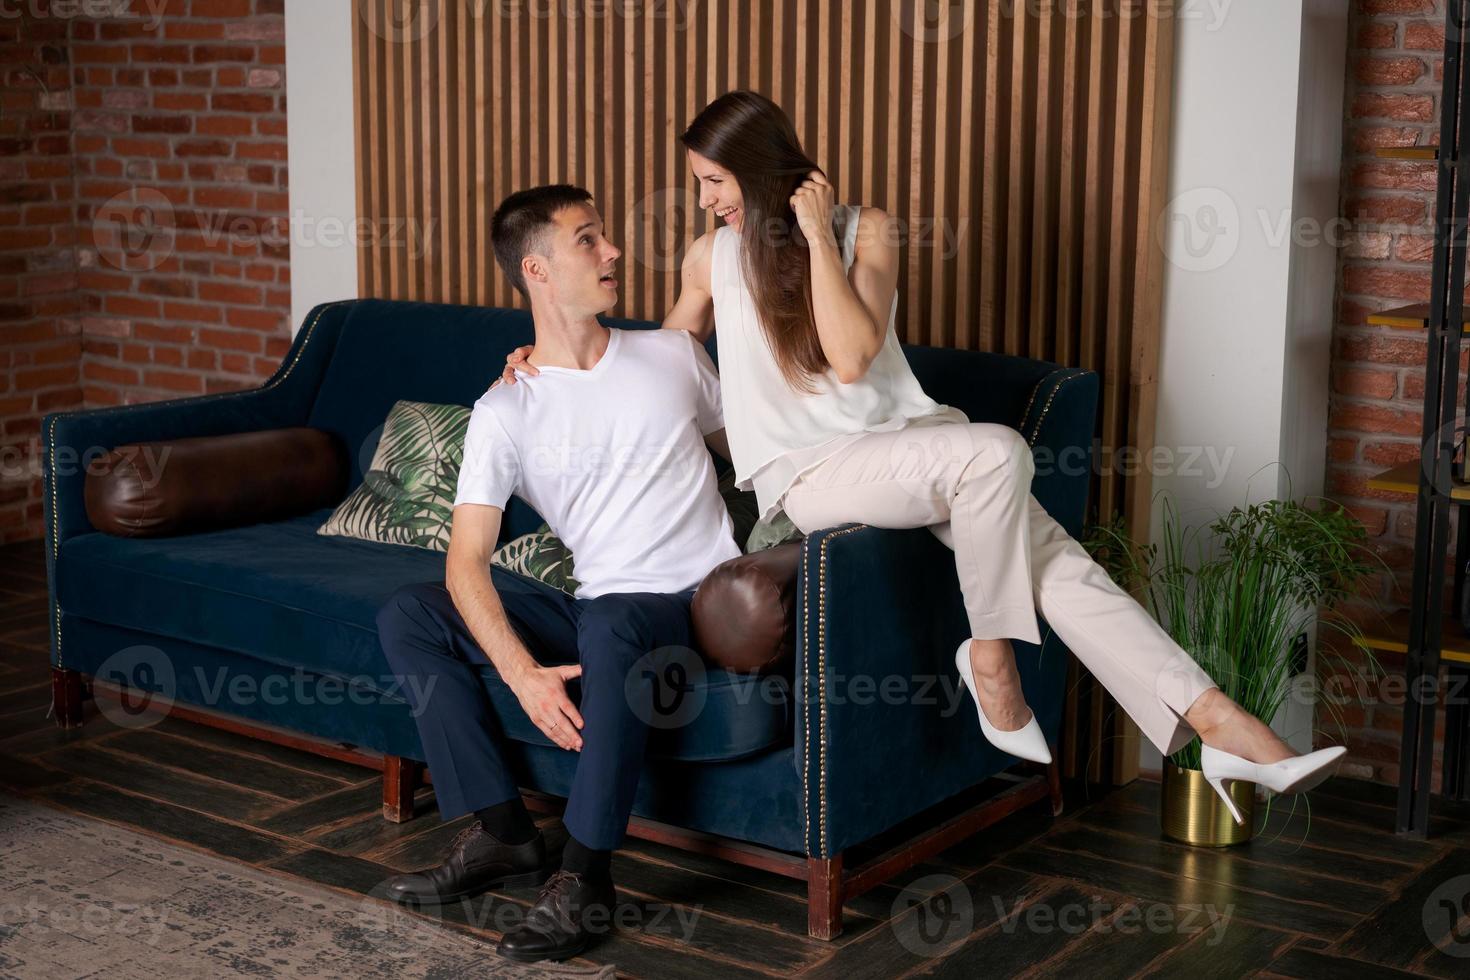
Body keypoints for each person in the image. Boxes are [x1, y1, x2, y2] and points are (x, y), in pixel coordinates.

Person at [501, 91, 1346, 823]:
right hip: (813, 476)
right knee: (996, 456)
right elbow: (652, 366)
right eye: (698, 184)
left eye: (714, 181)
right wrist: (543, 365)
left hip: (913, 446)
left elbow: (852, 355)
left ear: (759, 170)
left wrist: (814, 237)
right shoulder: (709, 258)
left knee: (1062, 568)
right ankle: (990, 658)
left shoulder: (862, 230)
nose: (704, 200)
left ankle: (1225, 726)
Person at [377, 183, 740, 963]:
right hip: (602, 608)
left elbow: (755, 458)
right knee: (410, 612)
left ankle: (585, 877)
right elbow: (465, 560)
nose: (613, 252)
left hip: (695, 602)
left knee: (612, 619)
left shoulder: (672, 356)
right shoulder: (506, 408)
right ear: (537, 269)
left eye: (606, 236)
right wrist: (523, 673)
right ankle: (505, 833)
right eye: (590, 239)